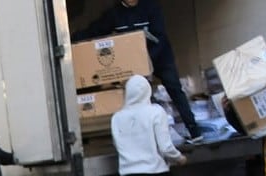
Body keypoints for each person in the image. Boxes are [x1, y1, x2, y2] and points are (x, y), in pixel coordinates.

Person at [74, 0, 203, 143]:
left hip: (160, 57)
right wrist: (70, 39)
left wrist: (147, 62)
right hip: (135, 64)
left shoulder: (151, 7)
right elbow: (95, 30)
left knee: (174, 89)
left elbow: (159, 37)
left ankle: (194, 130)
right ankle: (147, 138)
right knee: (138, 97)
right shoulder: (114, 14)